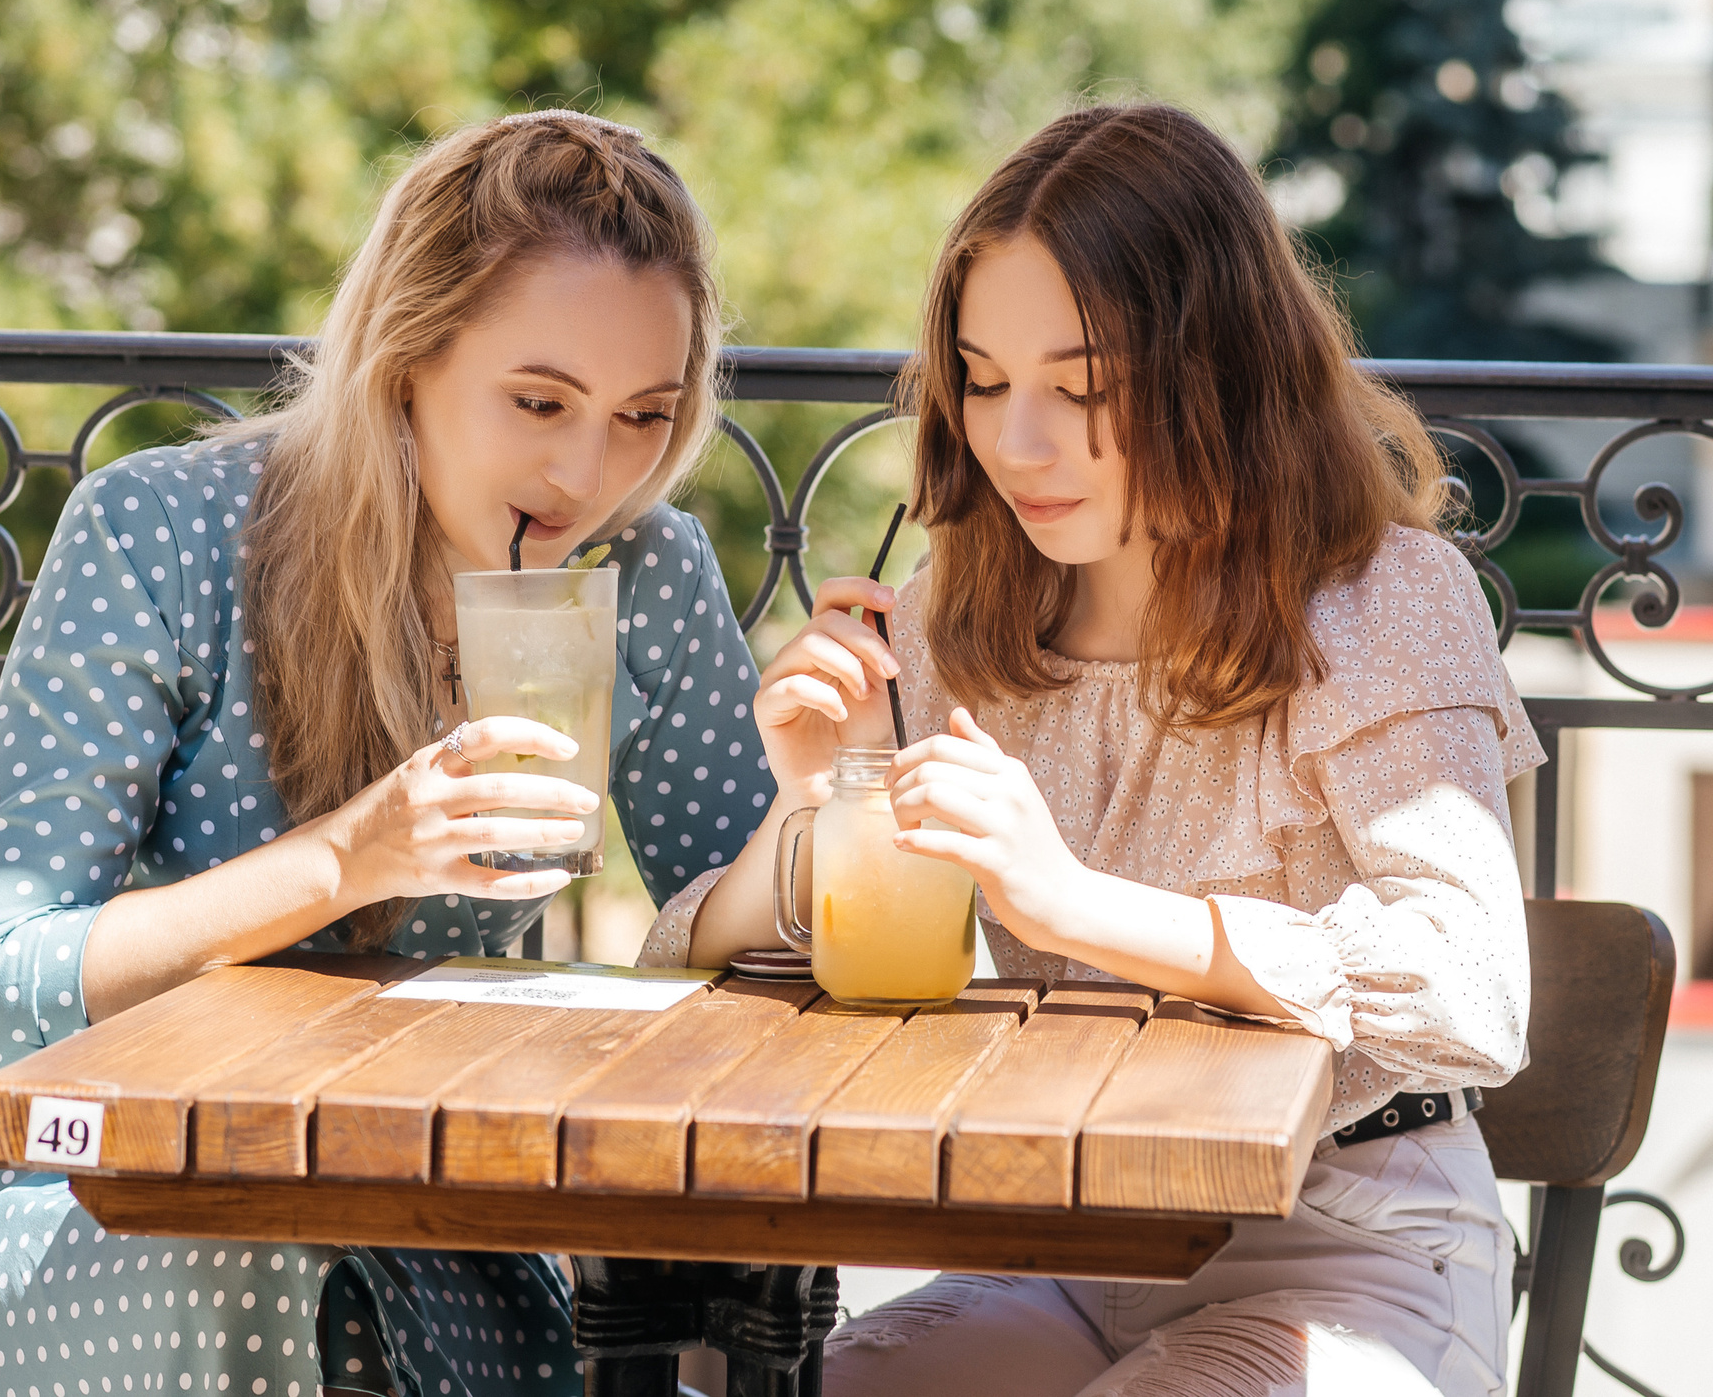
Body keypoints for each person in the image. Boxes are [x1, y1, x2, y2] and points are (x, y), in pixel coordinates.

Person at [0, 110, 776, 1397]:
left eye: (643, 416)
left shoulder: (639, 574)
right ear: (406, 360)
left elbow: (749, 939)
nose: (587, 472)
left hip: (415, 1210)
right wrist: (347, 858)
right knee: (270, 1261)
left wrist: (816, 793)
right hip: (72, 1201)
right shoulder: (161, 534)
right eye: (540, 401)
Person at [644, 103, 1540, 1396]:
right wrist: (818, 798)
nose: (1017, 442)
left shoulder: (1379, 599)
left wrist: (1071, 901)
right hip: (1069, 1246)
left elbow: (1474, 991)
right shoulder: (958, 616)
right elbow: (721, 968)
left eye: (1083, 388)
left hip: (1354, 1247)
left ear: (1218, 372)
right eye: (985, 380)